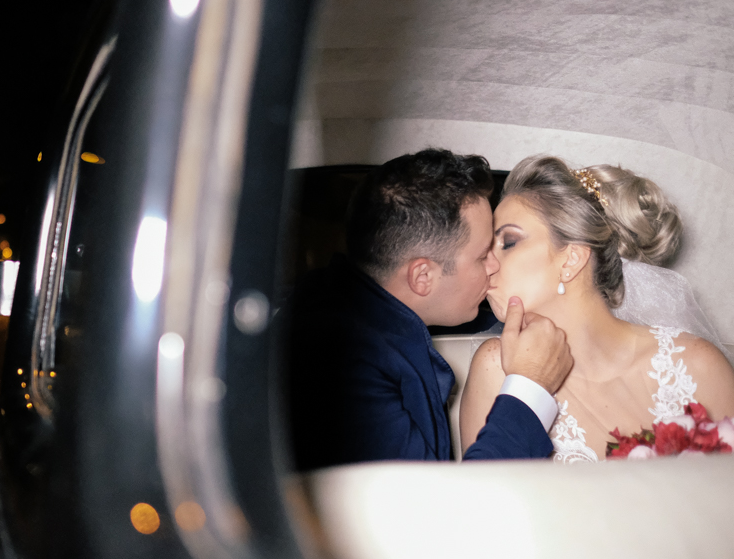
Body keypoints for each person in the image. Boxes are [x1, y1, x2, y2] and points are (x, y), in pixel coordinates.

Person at [288, 149, 573, 470]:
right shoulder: (337, 362)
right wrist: (530, 384)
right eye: (482, 257)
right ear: (423, 277)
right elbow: (435, 509)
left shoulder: (344, 311)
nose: (494, 266)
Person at [460, 156, 734, 462]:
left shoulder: (698, 367)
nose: (488, 264)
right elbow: (483, 501)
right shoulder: (495, 369)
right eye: (486, 250)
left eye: (508, 242)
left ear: (572, 258)